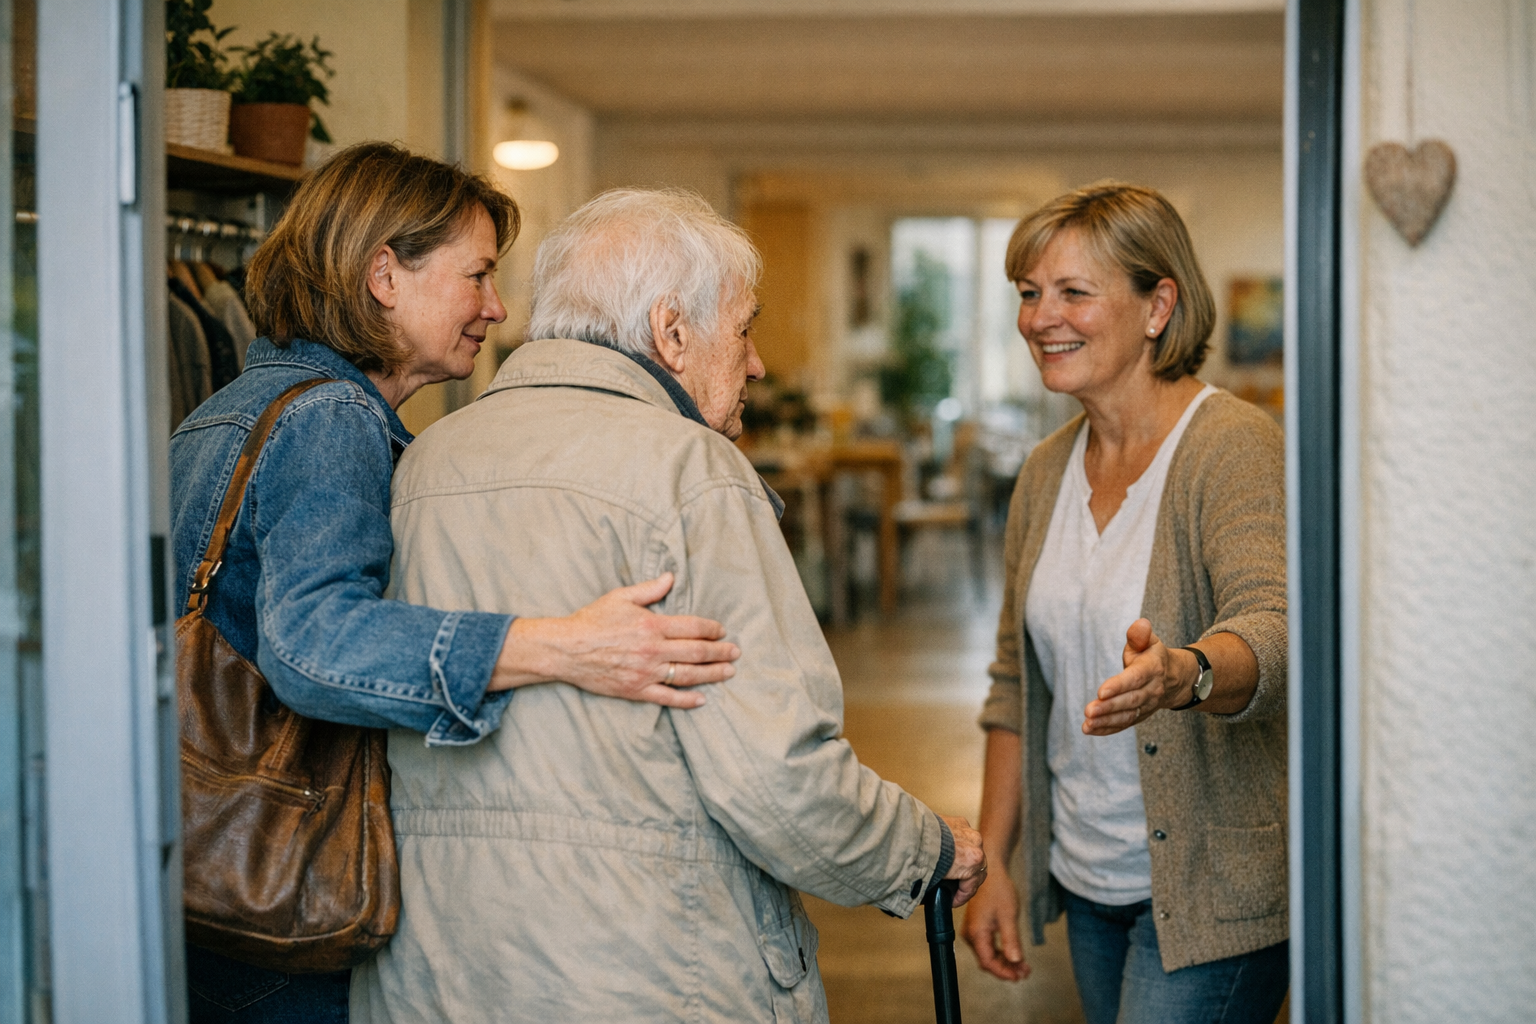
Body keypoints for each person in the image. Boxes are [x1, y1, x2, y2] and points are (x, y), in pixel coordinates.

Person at [350, 189, 987, 1024]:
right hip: (646, 978)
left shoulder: (423, 461)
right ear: (671, 331)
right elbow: (777, 782)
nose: (756, 363)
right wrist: (924, 848)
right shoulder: (691, 473)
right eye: (745, 328)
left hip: (436, 980)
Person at [171, 147, 742, 1024]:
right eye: (477, 275)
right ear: (383, 275)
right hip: (283, 893)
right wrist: (558, 645)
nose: (496, 307)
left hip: (205, 870)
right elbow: (314, 646)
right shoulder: (331, 418)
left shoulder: (230, 408)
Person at [961, 182, 1289, 1024]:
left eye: (1074, 292)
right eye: (1030, 294)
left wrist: (1188, 671)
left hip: (1210, 894)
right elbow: (1013, 682)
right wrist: (995, 858)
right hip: (1088, 877)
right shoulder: (1044, 470)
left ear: (1158, 307)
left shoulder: (1233, 445)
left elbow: (1277, 630)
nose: (1040, 318)